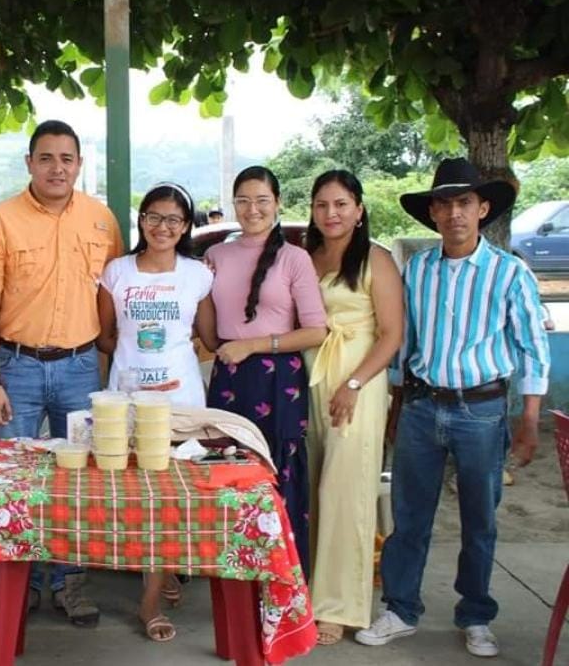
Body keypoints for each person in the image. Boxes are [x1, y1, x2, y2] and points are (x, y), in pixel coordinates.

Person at [356, 158, 550, 659]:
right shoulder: (419, 269)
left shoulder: (509, 272)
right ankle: (400, 609)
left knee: (479, 520)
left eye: (464, 202)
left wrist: (529, 419)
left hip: (482, 411)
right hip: (422, 407)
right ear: (433, 214)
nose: (454, 213)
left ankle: (476, 615)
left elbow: (532, 348)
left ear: (482, 209)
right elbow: (406, 343)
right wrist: (397, 402)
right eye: (444, 204)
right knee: (409, 516)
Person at [0, 119, 124, 627]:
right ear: (29, 163)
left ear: (79, 164)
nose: (57, 168)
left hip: (81, 367)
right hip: (16, 368)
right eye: (46, 158)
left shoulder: (101, 220)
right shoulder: (0, 221)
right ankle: (21, 584)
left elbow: (114, 294)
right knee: (13, 480)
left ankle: (68, 582)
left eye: (67, 159)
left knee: (77, 481)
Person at [96, 181, 214, 642]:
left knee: (170, 495)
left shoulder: (198, 275)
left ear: (185, 227)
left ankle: (149, 600)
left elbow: (208, 336)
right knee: (135, 494)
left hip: (180, 398)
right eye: (153, 217)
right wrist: (134, 369)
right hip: (127, 399)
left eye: (173, 219)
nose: (162, 226)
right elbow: (106, 337)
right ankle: (159, 572)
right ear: (142, 220)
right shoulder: (117, 271)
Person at [204, 165, 328, 577]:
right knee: (227, 472)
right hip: (229, 377)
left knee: (278, 476)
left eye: (261, 200)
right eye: (243, 200)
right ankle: (233, 577)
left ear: (277, 203)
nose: (252, 209)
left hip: (278, 381)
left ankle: (282, 579)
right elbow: (209, 330)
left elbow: (316, 331)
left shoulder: (295, 258)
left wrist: (253, 345)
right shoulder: (216, 255)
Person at [302, 170, 403, 646]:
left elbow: (392, 334)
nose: (331, 213)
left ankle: (340, 606)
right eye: (322, 205)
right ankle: (310, 592)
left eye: (341, 204)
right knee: (313, 489)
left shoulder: (375, 259)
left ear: (359, 210)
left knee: (345, 492)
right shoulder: (308, 256)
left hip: (356, 383)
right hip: (312, 379)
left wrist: (355, 383)